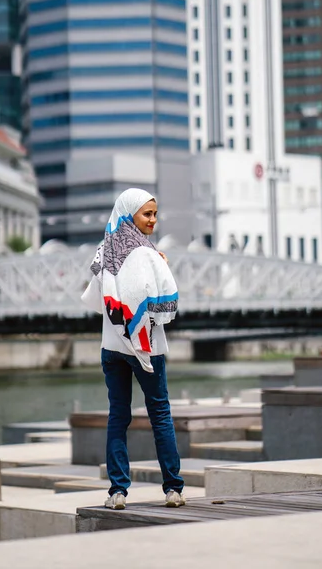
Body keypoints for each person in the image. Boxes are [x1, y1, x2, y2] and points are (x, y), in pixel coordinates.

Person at [81, 188, 185, 510]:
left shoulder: (104, 248)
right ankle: (173, 488)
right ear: (131, 214)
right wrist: (160, 266)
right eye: (147, 214)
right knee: (160, 414)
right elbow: (166, 306)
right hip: (146, 347)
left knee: (118, 416)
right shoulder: (147, 254)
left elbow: (97, 301)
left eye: (155, 214)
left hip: (111, 347)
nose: (153, 220)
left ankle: (117, 491)